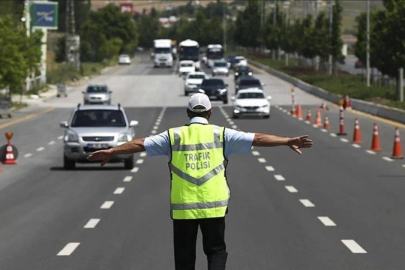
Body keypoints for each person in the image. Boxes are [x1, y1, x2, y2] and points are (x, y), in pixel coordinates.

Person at [87, 93, 313, 270]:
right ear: (210, 113)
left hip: (183, 209)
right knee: (216, 251)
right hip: (214, 206)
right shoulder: (222, 134)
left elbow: (140, 143)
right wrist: (286, 140)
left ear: (187, 112)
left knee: (184, 258)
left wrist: (112, 151)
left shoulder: (173, 136)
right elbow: (258, 138)